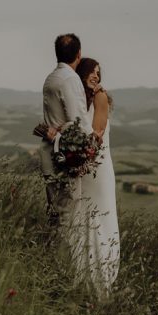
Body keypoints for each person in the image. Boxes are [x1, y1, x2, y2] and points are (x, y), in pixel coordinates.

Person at [70, 57, 120, 296]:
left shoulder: (100, 98)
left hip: (97, 168)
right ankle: (82, 273)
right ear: (82, 73)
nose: (96, 76)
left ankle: (102, 281)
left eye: (99, 73)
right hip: (84, 168)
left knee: (100, 219)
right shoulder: (79, 101)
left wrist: (83, 161)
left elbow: (96, 138)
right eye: (92, 71)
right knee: (83, 217)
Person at [37, 34, 92, 227]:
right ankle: (62, 257)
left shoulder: (51, 78)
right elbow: (79, 123)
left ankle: (51, 254)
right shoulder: (70, 79)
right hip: (64, 156)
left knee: (55, 214)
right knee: (67, 216)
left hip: (49, 154)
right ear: (79, 54)